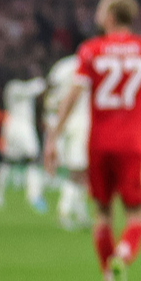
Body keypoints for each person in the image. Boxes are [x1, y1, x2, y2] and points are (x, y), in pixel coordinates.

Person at [46, 0, 141, 281]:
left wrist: (53, 136)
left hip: (100, 143)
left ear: (110, 16)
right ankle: (123, 255)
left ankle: (108, 278)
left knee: (102, 215)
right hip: (135, 142)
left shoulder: (90, 51)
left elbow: (72, 97)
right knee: (136, 216)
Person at [44, 48, 93, 230]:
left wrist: (51, 121)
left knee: (82, 171)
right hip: (82, 122)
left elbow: (51, 95)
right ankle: (64, 212)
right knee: (79, 171)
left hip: (62, 122)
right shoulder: (87, 64)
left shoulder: (60, 67)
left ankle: (80, 214)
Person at [0, 66, 48, 211]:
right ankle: (33, 196)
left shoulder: (17, 87)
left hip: (13, 127)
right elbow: (30, 89)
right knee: (32, 159)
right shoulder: (13, 87)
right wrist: (41, 83)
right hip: (21, 127)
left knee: (10, 161)